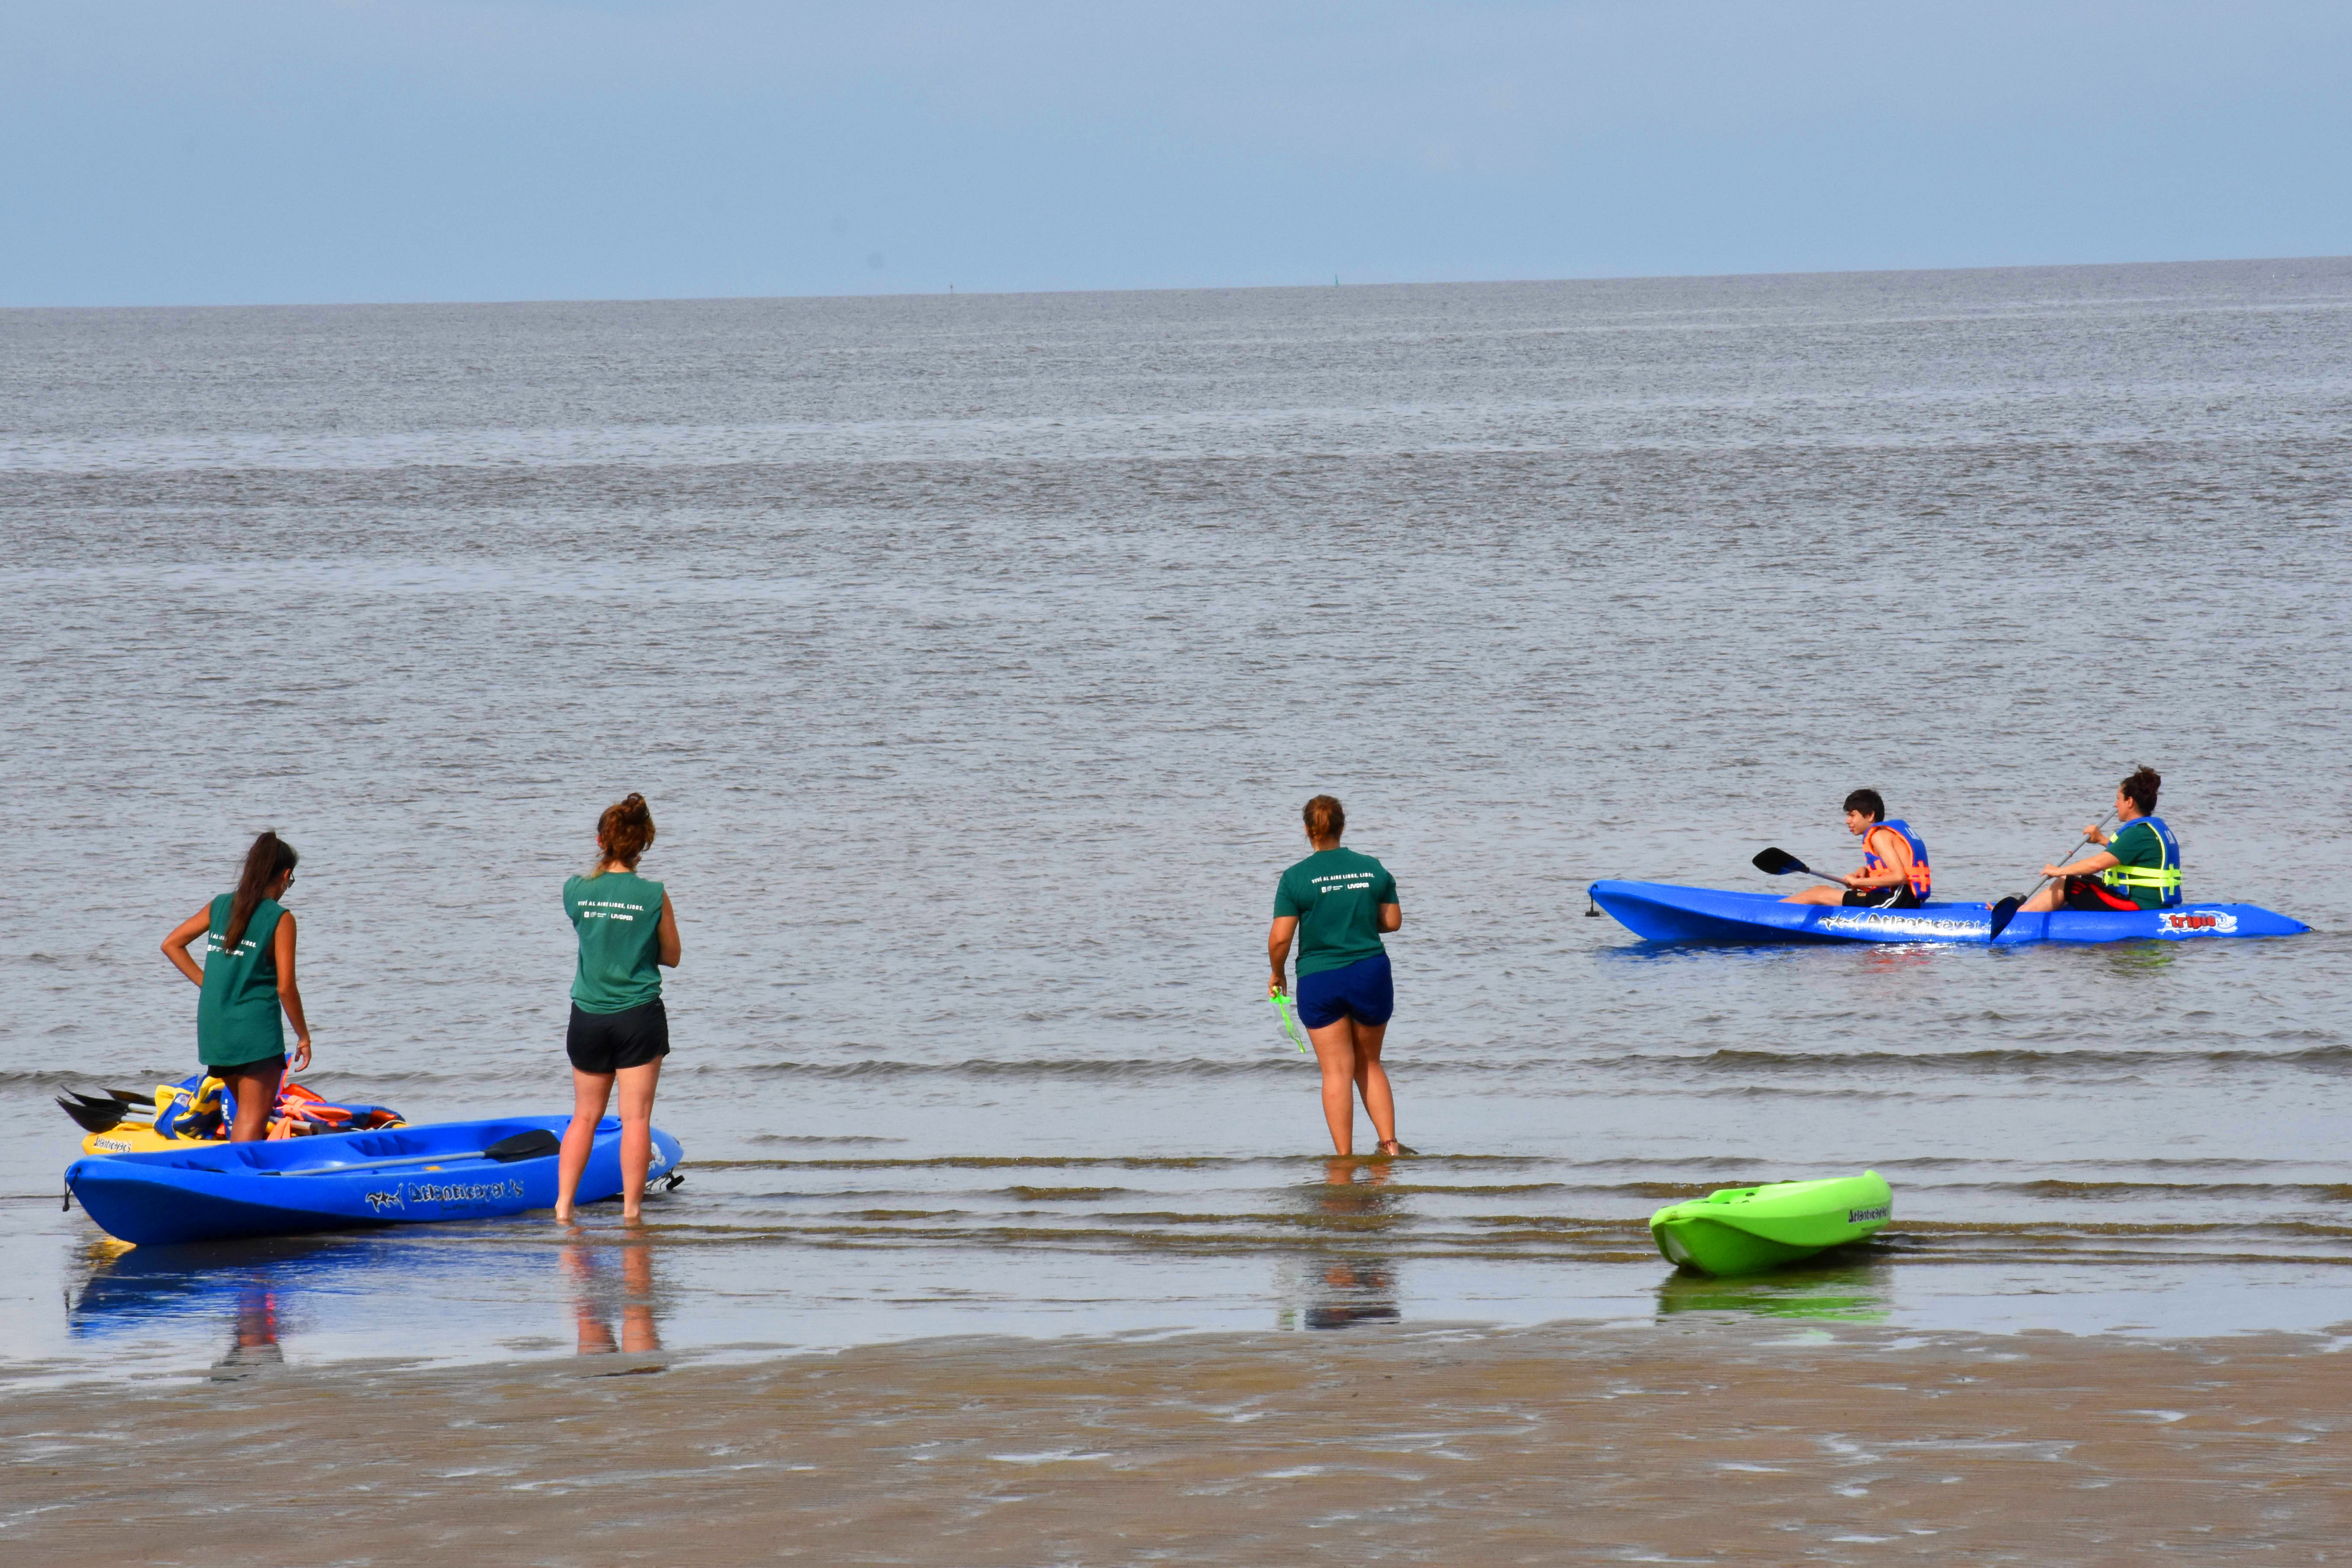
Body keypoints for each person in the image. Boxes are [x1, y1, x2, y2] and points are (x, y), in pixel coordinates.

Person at [554, 793, 681, 1224]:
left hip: (587, 1016)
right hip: (637, 1015)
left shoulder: (575, 890)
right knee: (636, 1117)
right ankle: (630, 1212)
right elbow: (672, 955)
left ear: (600, 840)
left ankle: (562, 1208)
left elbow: (595, 932)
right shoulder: (653, 895)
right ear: (643, 844)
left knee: (585, 1117)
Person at [1267, 795, 1406, 1157]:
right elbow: (1392, 922)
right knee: (1370, 1063)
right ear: (1342, 826)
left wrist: (1277, 974)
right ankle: (1389, 1146)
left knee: (1336, 1073)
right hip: (1369, 972)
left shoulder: (1295, 877)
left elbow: (1281, 937)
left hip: (1320, 977)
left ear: (1307, 830)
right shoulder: (1372, 868)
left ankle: (1344, 1160)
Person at [160, 832, 312, 1143]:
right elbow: (285, 987)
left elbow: (172, 944)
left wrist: (211, 985)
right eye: (290, 881)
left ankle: (244, 1173)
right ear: (285, 876)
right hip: (254, 1033)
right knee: (250, 1121)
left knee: (247, 1113)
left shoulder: (221, 906)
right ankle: (241, 1185)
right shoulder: (280, 918)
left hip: (215, 1028)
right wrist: (304, 1036)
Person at [2014, 765, 2180, 913]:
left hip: (2140, 907)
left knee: (2067, 883)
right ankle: (2034, 911)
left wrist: (2058, 871)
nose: (2116, 805)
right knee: (2080, 880)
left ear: (2129, 802)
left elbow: (2096, 865)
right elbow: (2130, 856)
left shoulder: (2138, 833)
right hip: (2147, 902)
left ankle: (2020, 917)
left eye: (2118, 799)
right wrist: (2102, 839)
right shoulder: (2149, 829)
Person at [1780, 789, 1932, 909]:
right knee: (1822, 889)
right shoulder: (1886, 834)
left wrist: (1859, 883)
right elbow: (1893, 867)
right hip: (1906, 900)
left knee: (1818, 894)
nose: (1848, 821)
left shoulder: (1879, 837)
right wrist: (1865, 870)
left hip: (1896, 901)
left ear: (1870, 815)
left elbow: (1900, 877)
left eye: (1852, 815)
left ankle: (1768, 914)